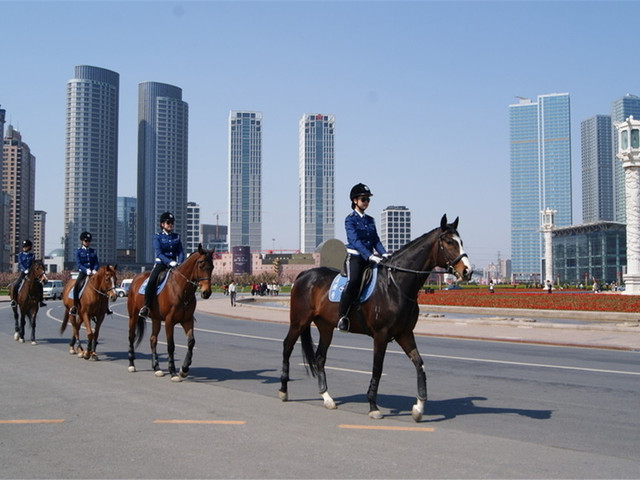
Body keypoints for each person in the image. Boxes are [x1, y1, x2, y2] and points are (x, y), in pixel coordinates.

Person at [337, 183, 390, 332]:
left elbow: (376, 240)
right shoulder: (350, 220)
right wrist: (370, 255)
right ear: (355, 200)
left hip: (372, 257)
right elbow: (355, 241)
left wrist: (384, 253)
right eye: (363, 199)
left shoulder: (370, 220)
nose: (366, 202)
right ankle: (342, 316)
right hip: (356, 257)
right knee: (353, 281)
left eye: (368, 199)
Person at [139, 212, 185, 318]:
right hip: (162, 264)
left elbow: (180, 252)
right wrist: (169, 262)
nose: (170, 225)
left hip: (175, 265)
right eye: (168, 222)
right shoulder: (157, 237)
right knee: (152, 281)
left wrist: (180, 263)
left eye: (172, 223)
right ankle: (146, 306)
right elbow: (159, 253)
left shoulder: (176, 237)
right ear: (162, 224)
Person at [70, 231, 100, 315]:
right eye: (86, 241)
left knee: (103, 286)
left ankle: (105, 307)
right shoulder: (78, 252)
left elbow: (96, 263)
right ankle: (75, 306)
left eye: (89, 241)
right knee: (76, 287)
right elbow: (78, 264)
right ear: (82, 241)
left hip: (93, 273)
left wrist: (94, 269)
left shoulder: (93, 251)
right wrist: (86, 270)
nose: (88, 243)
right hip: (83, 273)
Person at [11, 239, 46, 308]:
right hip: (23, 273)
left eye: (26, 246)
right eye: (24, 246)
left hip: (31, 273)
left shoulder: (32, 255)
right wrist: (24, 270)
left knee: (40, 285)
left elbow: (33, 264)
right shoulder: (20, 255)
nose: (25, 248)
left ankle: (41, 301)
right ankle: (14, 300)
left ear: (29, 247)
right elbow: (20, 263)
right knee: (16, 285)